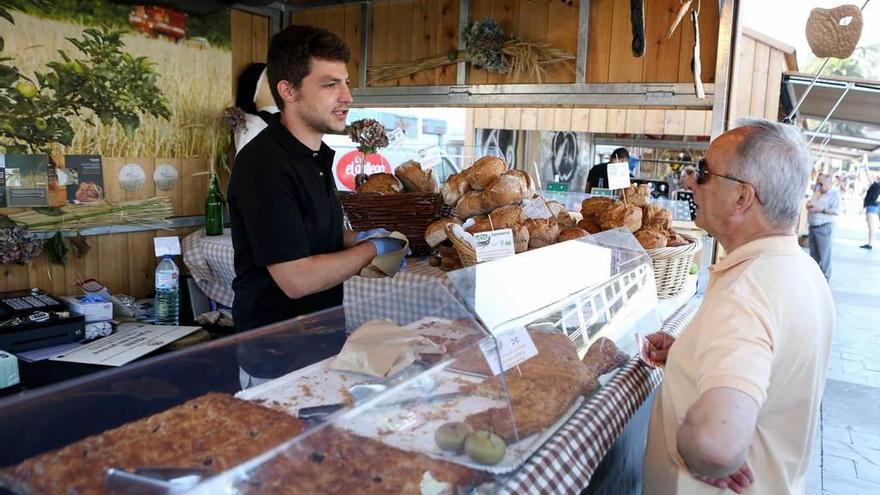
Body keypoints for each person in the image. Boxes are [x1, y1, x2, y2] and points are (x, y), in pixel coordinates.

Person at [643, 119, 834, 494]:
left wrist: (701, 451)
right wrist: (687, 356)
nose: (690, 182)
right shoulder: (802, 270)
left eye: (704, 173)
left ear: (742, 197)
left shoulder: (746, 292)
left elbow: (717, 444)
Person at [228, 25, 404, 334]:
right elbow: (297, 279)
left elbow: (311, 234)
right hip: (275, 352)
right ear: (288, 91)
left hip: (322, 336)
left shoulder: (316, 156)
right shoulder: (265, 167)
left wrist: (358, 238)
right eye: (330, 85)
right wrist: (371, 250)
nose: (347, 97)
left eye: (346, 83)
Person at [806, 172, 840, 280]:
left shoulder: (833, 194)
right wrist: (815, 195)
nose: (819, 185)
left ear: (828, 184)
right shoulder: (817, 193)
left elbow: (836, 211)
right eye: (818, 182)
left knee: (824, 256)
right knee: (814, 255)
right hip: (813, 227)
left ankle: (825, 279)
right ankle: (815, 278)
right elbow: (808, 205)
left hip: (824, 227)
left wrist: (822, 210)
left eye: (821, 183)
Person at [861, 173, 880, 249]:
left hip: (871, 206)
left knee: (871, 226)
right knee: (872, 226)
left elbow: (869, 176)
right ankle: (870, 243)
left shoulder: (876, 186)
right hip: (873, 206)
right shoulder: (876, 186)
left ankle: (870, 244)